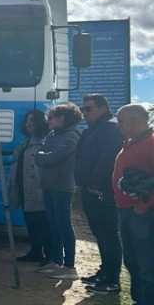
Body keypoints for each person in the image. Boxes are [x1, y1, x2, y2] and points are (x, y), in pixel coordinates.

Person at [75, 94, 124, 293]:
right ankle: (104, 272)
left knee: (109, 234)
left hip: (102, 190)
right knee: (99, 233)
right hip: (89, 189)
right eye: (83, 109)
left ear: (103, 108)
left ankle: (112, 279)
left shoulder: (111, 129)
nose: (85, 113)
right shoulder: (93, 129)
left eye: (89, 109)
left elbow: (107, 159)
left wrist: (95, 183)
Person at [111, 104, 154, 305]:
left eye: (121, 121)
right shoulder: (131, 142)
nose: (117, 125)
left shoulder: (151, 143)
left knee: (147, 266)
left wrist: (144, 206)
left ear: (135, 120)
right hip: (126, 210)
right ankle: (139, 300)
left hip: (143, 214)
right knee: (132, 261)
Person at [34, 103, 82, 279]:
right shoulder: (54, 135)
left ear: (61, 118)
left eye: (51, 117)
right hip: (49, 185)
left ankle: (70, 266)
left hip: (62, 186)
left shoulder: (72, 135)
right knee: (53, 224)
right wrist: (42, 155)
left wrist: (40, 157)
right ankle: (56, 261)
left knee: (64, 225)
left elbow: (54, 156)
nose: (48, 120)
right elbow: (44, 152)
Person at [10, 109, 50, 265]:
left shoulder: (44, 141)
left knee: (43, 223)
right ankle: (35, 251)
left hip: (37, 188)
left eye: (33, 120)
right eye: (27, 120)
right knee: (31, 222)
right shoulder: (26, 141)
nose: (29, 123)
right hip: (24, 186)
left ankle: (49, 255)